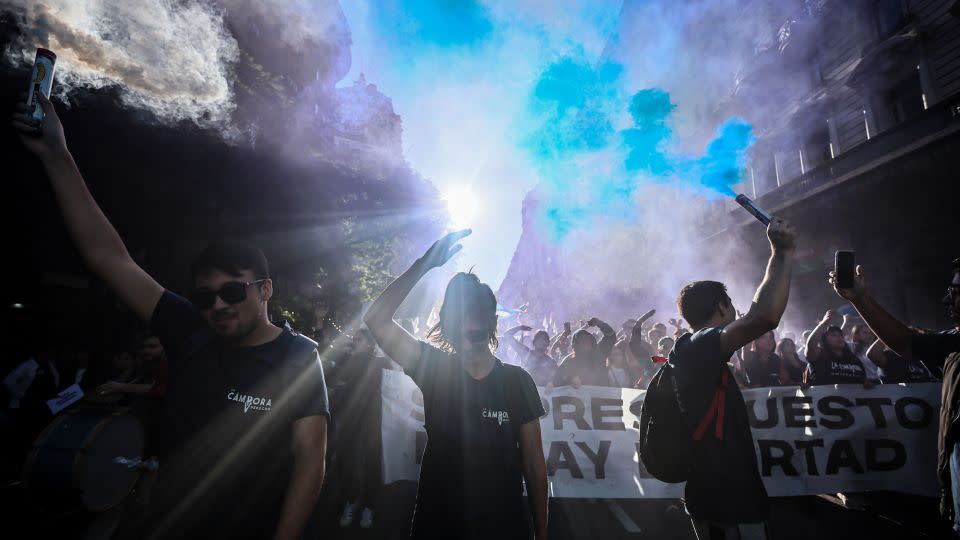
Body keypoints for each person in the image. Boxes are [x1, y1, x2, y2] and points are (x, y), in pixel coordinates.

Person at [13, 93, 328, 540]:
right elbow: (110, 258)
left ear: (265, 290)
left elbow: (310, 458)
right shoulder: (188, 328)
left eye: (232, 291)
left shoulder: (298, 355)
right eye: (205, 297)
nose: (217, 305)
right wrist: (57, 156)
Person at [362, 230, 548, 540]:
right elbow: (376, 320)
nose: (468, 337)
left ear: (490, 324)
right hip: (438, 523)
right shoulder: (434, 367)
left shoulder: (517, 381)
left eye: (476, 329)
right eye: (459, 327)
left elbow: (534, 466)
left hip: (504, 526)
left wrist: (542, 534)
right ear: (448, 326)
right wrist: (423, 265)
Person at [670, 216, 796, 539]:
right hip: (723, 500)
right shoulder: (697, 347)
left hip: (724, 494)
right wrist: (779, 254)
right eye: (733, 306)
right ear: (722, 308)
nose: (738, 312)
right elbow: (765, 316)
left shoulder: (698, 352)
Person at [828, 257, 960, 531]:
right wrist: (859, 299)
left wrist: (860, 299)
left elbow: (906, 342)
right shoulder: (954, 344)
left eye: (956, 292)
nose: (948, 300)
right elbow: (908, 343)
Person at [330, 329, 394, 530]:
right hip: (349, 421)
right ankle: (351, 500)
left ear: (370, 344)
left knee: (372, 462)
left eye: (359, 340)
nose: (354, 342)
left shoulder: (381, 364)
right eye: (354, 339)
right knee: (345, 462)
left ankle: (369, 506)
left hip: (373, 422)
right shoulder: (346, 361)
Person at [804, 311, 866, 386]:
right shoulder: (819, 356)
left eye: (841, 335)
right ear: (824, 340)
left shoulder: (854, 359)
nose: (839, 337)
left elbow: (863, 381)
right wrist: (824, 322)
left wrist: (866, 384)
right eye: (833, 335)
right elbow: (811, 344)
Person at [553, 318, 616, 388]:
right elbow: (556, 380)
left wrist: (599, 323)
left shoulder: (600, 353)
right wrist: (570, 379)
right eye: (582, 339)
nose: (586, 342)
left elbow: (610, 336)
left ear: (592, 341)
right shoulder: (568, 361)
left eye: (588, 338)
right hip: (577, 398)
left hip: (601, 396)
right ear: (575, 344)